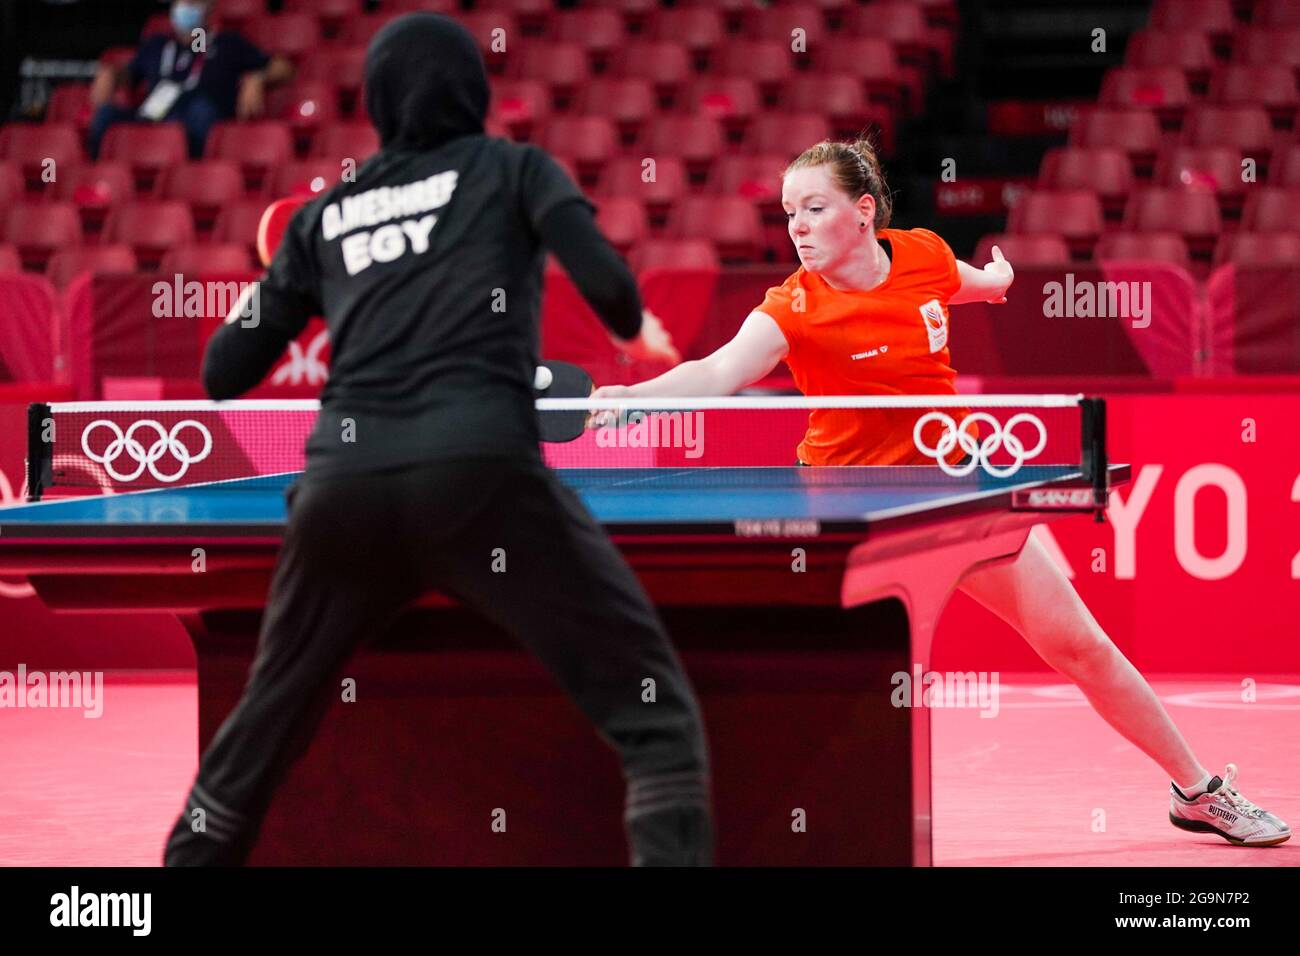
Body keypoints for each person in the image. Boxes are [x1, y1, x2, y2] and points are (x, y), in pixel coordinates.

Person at [593, 137, 1290, 848]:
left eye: (813, 208)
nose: (796, 226)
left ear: (863, 213)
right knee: (821, 678)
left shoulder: (920, 255)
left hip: (954, 496)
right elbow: (715, 373)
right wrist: (634, 397)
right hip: (847, 514)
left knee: (1081, 646)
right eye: (788, 213)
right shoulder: (792, 308)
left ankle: (1198, 792)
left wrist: (996, 279)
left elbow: (964, 282)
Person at [163, 13, 712, 866]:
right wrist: (636, 331)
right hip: (481, 479)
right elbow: (606, 284)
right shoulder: (513, 168)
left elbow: (223, 370)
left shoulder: (327, 215)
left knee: (261, 731)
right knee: (656, 718)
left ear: (379, 103)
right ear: (474, 91)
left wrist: (282, 278)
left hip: (342, 494)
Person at [88, 0, 293, 159]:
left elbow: (284, 68)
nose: (185, 8)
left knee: (200, 110)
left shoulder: (228, 43)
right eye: (181, 3)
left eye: (193, 3)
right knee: (106, 115)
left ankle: (190, 175)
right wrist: (111, 73)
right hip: (153, 118)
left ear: (209, 9)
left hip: (198, 121)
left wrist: (257, 77)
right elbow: (128, 76)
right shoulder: (157, 45)